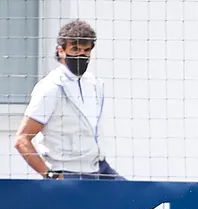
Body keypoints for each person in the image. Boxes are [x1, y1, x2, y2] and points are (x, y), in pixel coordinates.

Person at [14, 19, 122, 180]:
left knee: (137, 199)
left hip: (99, 168)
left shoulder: (95, 85)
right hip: (67, 172)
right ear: (61, 51)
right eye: (75, 49)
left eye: (86, 50)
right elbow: (22, 139)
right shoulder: (50, 87)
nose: (81, 55)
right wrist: (49, 175)